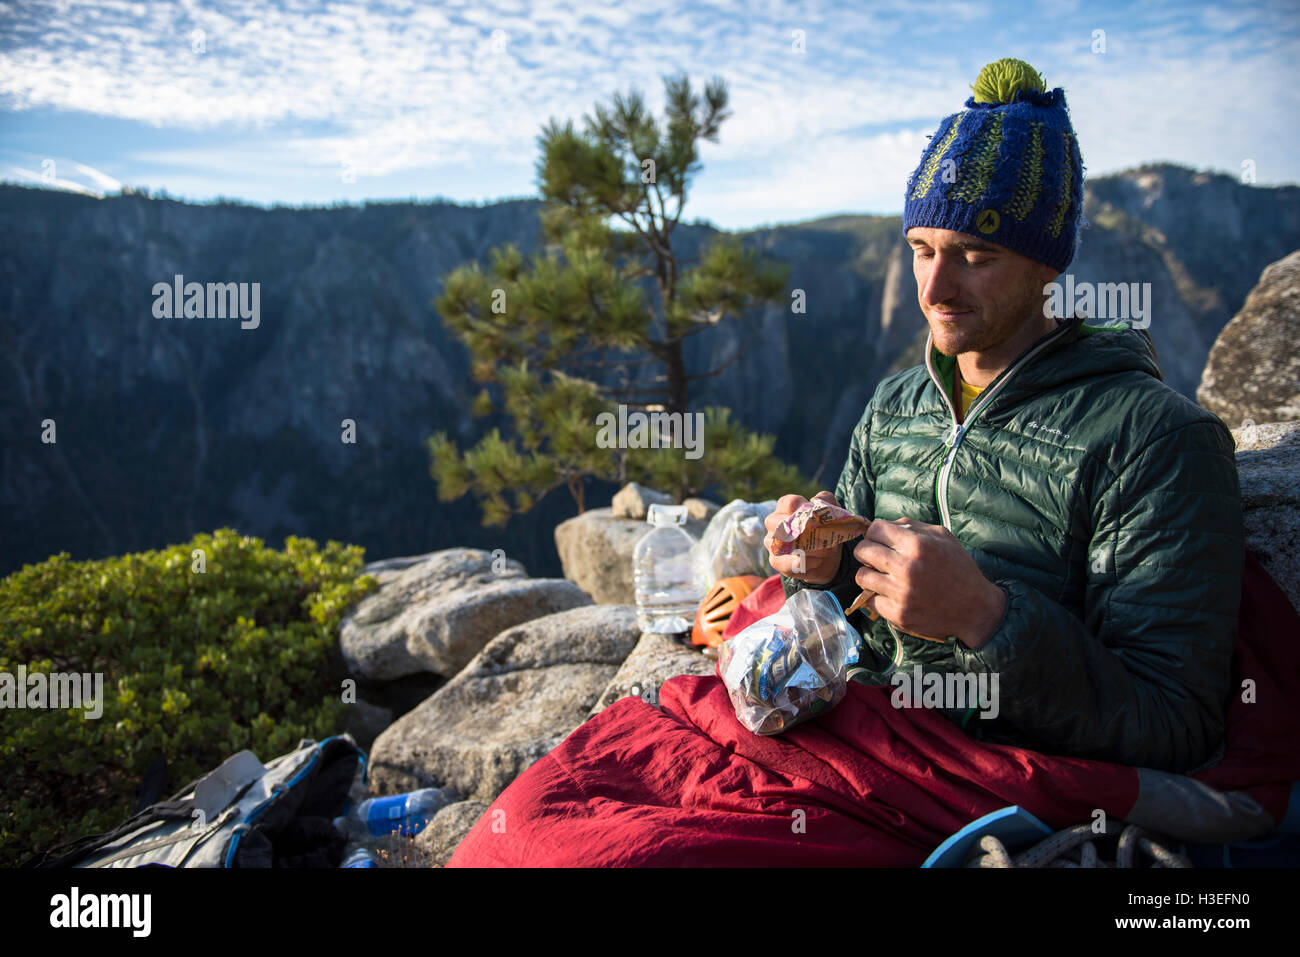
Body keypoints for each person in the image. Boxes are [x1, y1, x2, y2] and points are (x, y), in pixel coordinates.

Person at [765, 58, 1243, 774]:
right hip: (862, 743)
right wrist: (822, 567)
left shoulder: (1156, 439)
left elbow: (1174, 720)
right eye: (921, 250)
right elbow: (846, 622)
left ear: (1046, 266)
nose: (935, 287)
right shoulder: (896, 404)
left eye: (974, 255)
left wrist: (985, 618)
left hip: (994, 790)